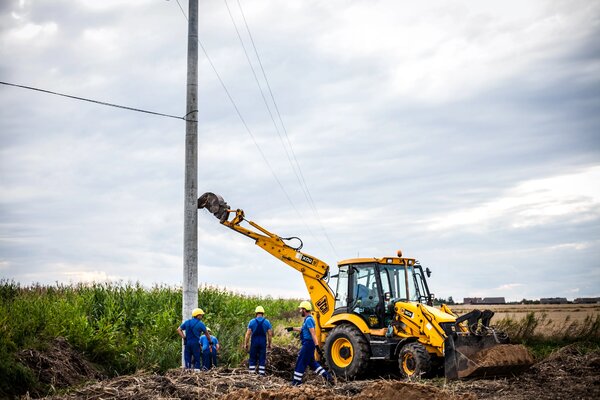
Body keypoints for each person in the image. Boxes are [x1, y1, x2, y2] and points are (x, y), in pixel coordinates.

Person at [287, 301, 333, 385]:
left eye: (301, 309)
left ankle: (296, 382)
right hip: (308, 343)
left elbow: (313, 333)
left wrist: (317, 347)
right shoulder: (308, 319)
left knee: (301, 361)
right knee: (312, 363)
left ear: (304, 309)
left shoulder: (309, 320)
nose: (300, 310)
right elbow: (303, 329)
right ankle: (328, 377)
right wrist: (292, 328)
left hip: (308, 344)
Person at [244, 305, 273, 375]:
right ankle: (261, 375)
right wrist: (269, 344)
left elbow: (247, 334)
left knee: (252, 358)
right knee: (262, 358)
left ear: (256, 313)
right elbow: (270, 334)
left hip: (254, 342)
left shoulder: (252, 322)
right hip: (263, 342)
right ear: (263, 313)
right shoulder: (267, 322)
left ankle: (251, 374)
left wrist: (246, 344)